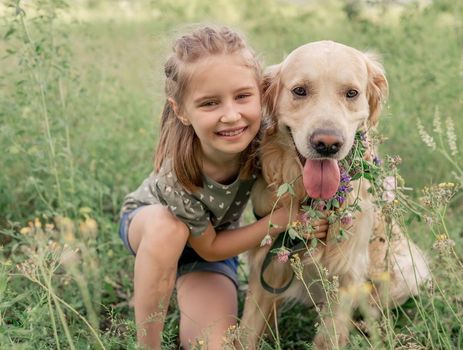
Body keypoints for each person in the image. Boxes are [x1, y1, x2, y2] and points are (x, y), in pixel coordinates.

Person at [118, 25, 327, 350]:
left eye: (243, 96)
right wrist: (282, 222)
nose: (231, 116)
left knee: (214, 345)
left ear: (262, 91)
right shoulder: (176, 175)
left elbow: (209, 253)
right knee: (167, 230)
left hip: (205, 252)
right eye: (209, 103)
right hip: (152, 226)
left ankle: (182, 284)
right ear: (181, 111)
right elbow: (211, 246)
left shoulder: (264, 141)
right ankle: (148, 341)